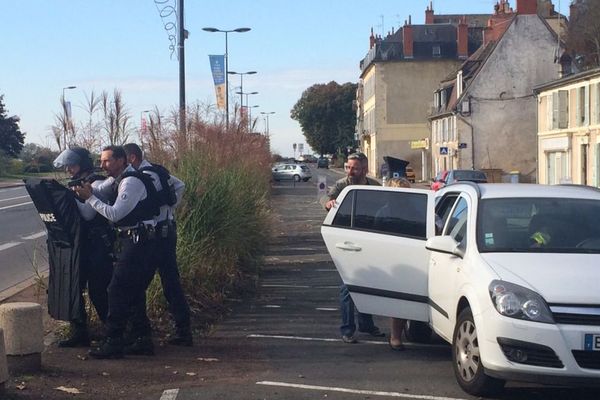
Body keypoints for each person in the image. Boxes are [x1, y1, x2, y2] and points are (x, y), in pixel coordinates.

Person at [74, 145, 160, 359]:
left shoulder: (131, 182)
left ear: (122, 160)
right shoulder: (116, 179)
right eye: (101, 161)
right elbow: (101, 190)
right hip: (132, 239)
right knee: (133, 290)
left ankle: (114, 341)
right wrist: (83, 189)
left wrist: (90, 198)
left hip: (139, 240)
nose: (102, 165)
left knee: (116, 289)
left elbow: (114, 214)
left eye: (107, 161)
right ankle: (141, 339)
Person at [123, 143, 192, 347]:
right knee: (171, 282)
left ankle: (140, 334)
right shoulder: (158, 170)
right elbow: (180, 186)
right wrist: (170, 207)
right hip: (169, 230)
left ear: (132, 158)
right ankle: (183, 329)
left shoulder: (143, 177)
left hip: (154, 236)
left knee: (136, 283)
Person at [320, 152, 384, 344]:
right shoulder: (342, 185)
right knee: (348, 286)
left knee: (367, 284)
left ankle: (366, 324)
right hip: (347, 241)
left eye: (354, 168)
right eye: (348, 167)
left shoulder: (374, 186)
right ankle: (347, 329)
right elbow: (326, 198)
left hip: (369, 240)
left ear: (364, 169)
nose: (350, 171)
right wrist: (329, 203)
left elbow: (386, 205)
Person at [52, 147, 113, 347]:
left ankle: (113, 332)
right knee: (75, 287)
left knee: (98, 290)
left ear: (83, 164)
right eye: (68, 166)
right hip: (79, 244)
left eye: (73, 165)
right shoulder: (76, 183)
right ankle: (79, 332)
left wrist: (70, 198)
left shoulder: (98, 183)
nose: (69, 169)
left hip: (97, 245)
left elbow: (88, 214)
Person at [381, 177, 410, 351]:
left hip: (417, 258)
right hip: (394, 261)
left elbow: (437, 223)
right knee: (400, 301)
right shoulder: (384, 212)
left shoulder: (418, 209)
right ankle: (395, 336)